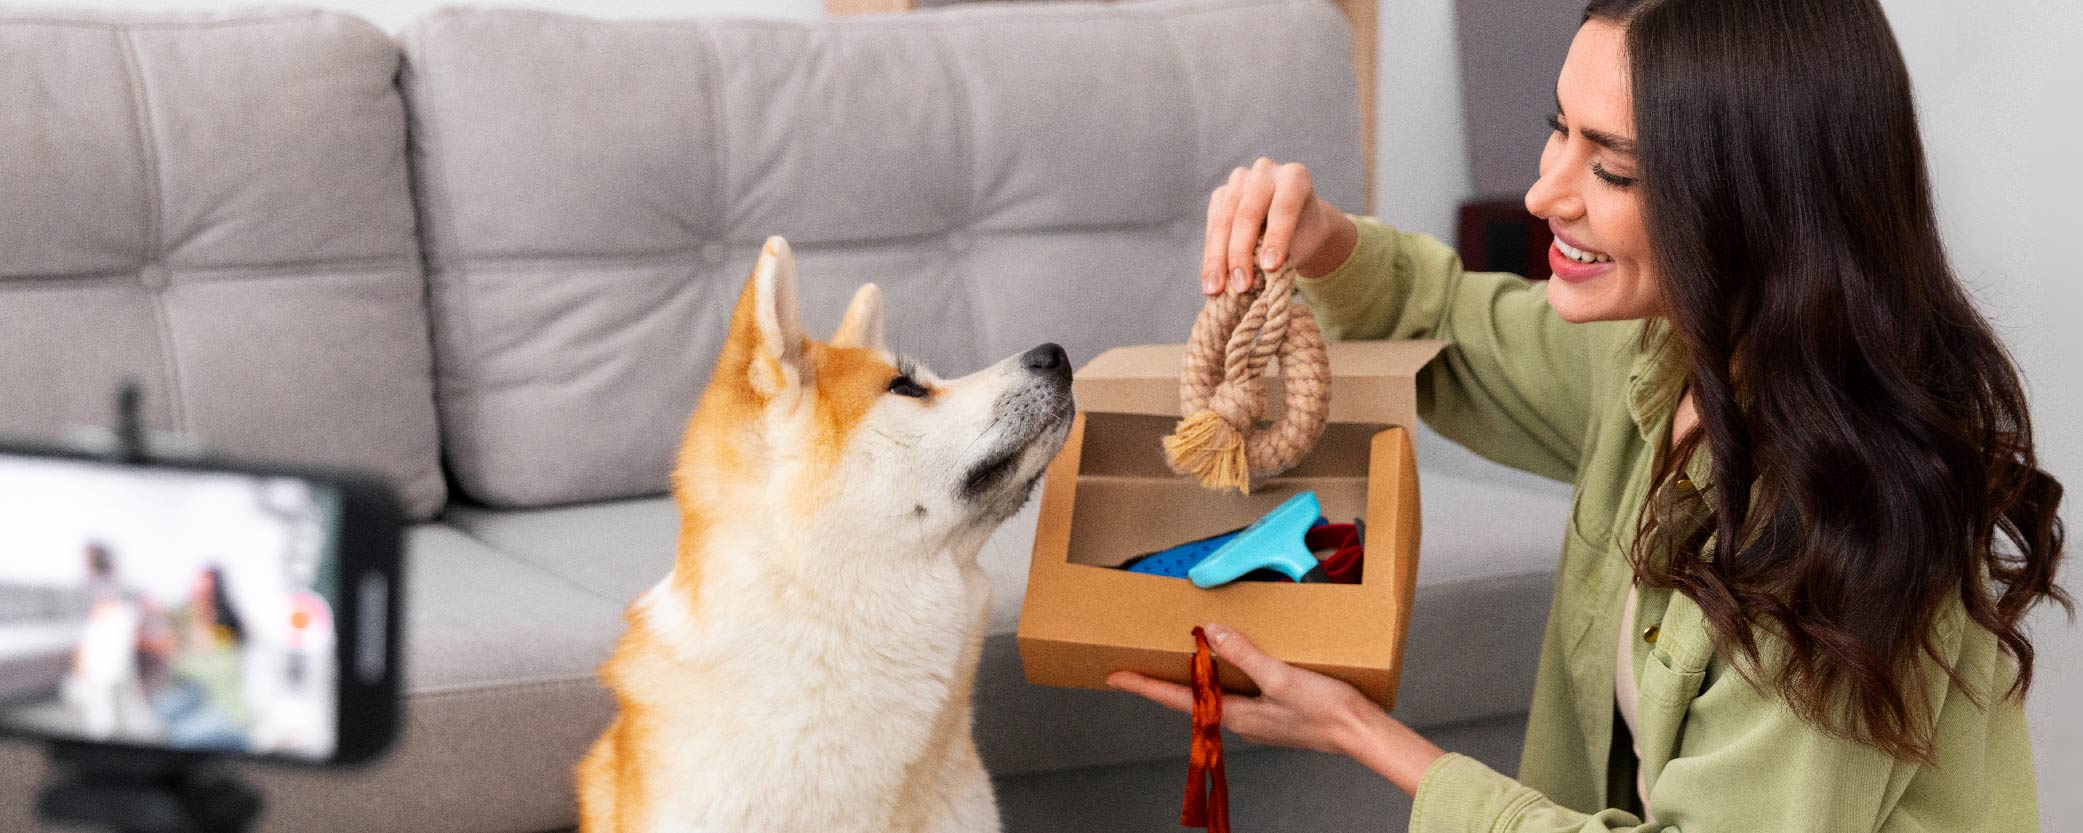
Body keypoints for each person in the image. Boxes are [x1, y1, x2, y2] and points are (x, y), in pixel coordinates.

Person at [1109, 1, 2069, 830]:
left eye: (1611, 168)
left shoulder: (1846, 521)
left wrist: (1358, 732)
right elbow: (1449, 327)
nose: (1540, 193)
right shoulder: (1664, 357)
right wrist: (1320, 242)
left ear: (1750, 201)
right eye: (1555, 127)